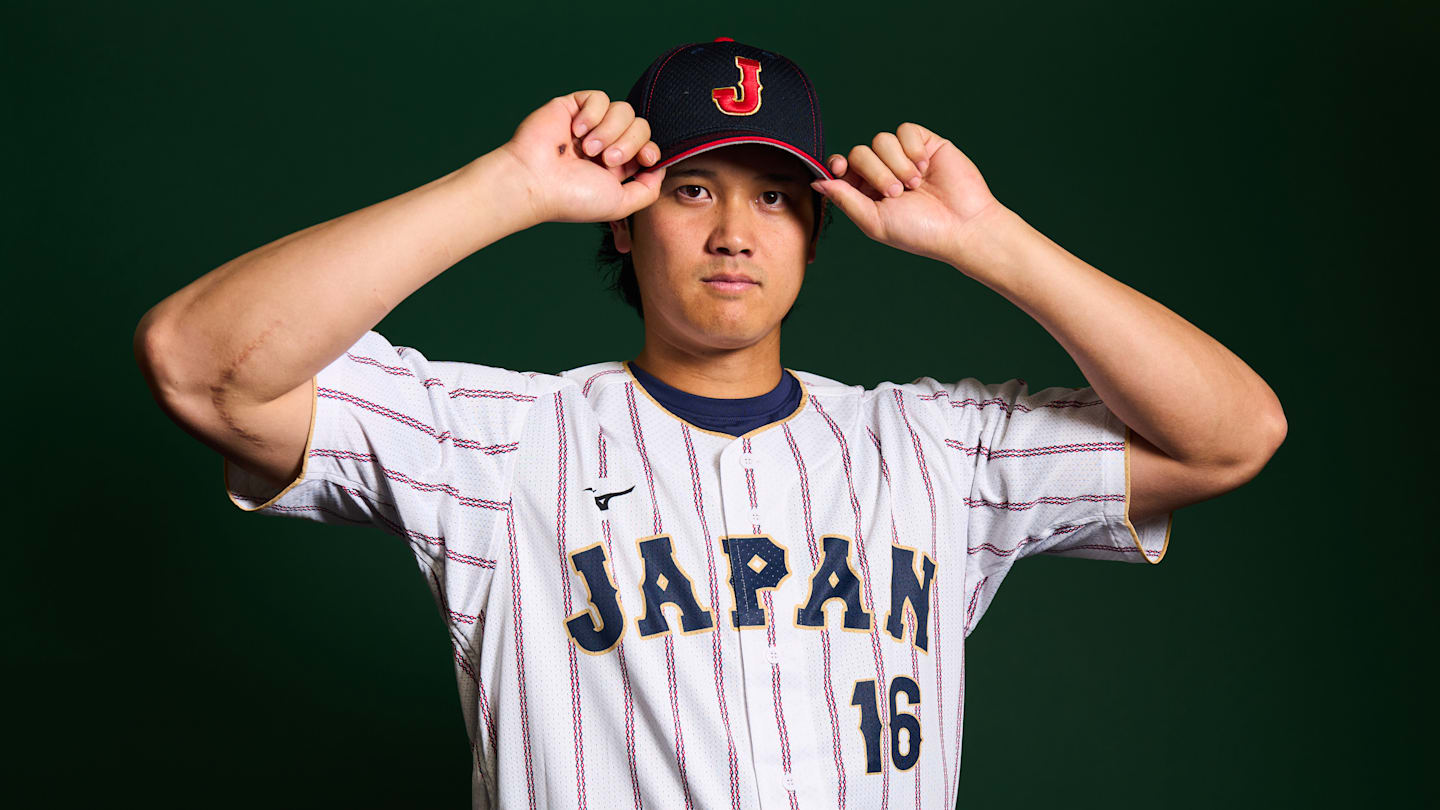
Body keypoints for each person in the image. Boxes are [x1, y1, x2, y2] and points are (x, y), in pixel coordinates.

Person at [134, 38, 1286, 810]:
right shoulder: (500, 444)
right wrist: (505, 188)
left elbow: (1230, 435)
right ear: (625, 224)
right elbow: (201, 367)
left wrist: (991, 240)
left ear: (811, 235)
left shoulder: (936, 449)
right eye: (693, 189)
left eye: (774, 197)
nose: (736, 231)